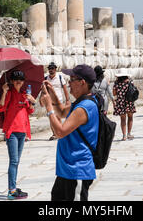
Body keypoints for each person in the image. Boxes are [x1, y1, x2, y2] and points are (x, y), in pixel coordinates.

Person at [39, 64, 99, 201]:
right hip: (66, 170)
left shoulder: (85, 107)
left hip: (77, 170)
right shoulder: (79, 103)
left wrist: (48, 107)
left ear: (82, 82)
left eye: (72, 80)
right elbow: (61, 111)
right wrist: (53, 95)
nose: (69, 83)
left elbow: (60, 132)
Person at [0, 70, 37, 200]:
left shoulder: (25, 95)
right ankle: (12, 190)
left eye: (21, 79)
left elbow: (30, 110)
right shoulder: (9, 94)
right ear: (12, 81)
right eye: (16, 79)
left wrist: (32, 101)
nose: (19, 81)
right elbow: (0, 108)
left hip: (22, 132)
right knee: (13, 161)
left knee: (16, 161)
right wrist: (3, 92)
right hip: (12, 132)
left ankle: (13, 187)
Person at [45, 62, 70, 141]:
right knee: (51, 117)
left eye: (52, 68)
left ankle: (59, 132)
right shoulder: (46, 79)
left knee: (58, 117)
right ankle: (54, 133)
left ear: (55, 69)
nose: (51, 70)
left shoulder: (60, 77)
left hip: (59, 100)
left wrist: (67, 100)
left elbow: (65, 89)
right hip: (49, 101)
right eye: (49, 69)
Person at [113, 69, 136, 141]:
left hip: (120, 102)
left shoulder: (116, 83)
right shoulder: (130, 82)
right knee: (130, 117)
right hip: (129, 102)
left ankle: (124, 136)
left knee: (122, 119)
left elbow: (114, 93)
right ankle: (129, 133)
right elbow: (133, 91)